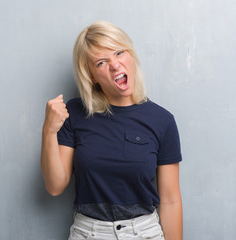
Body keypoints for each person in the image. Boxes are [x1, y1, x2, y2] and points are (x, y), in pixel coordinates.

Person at [41, 20, 182, 240]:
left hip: (144, 233)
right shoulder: (75, 113)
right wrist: (49, 130)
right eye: (101, 62)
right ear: (93, 77)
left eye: (119, 53)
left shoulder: (162, 120)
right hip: (88, 233)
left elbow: (171, 200)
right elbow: (55, 186)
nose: (115, 65)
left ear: (131, 56)